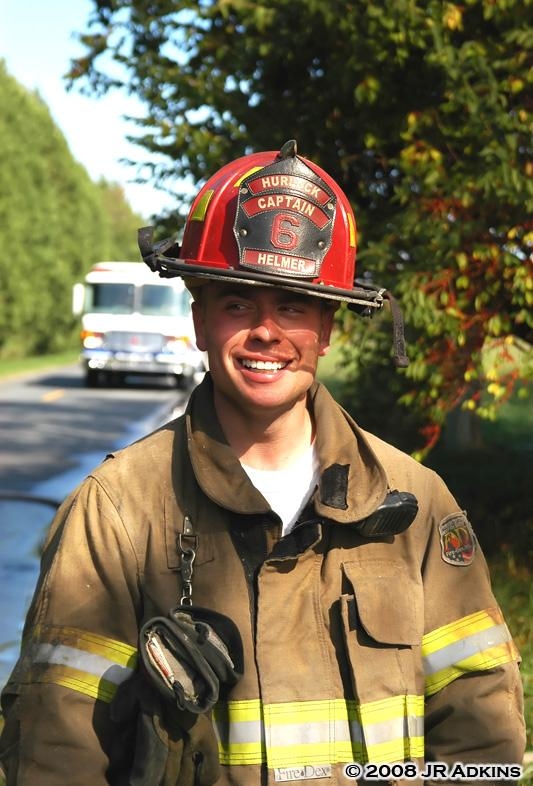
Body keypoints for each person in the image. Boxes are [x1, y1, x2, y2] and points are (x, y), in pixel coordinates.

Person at [0, 140, 525, 786]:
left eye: (293, 305)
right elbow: (56, 752)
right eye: (237, 303)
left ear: (327, 328)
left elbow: (480, 732)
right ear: (200, 321)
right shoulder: (117, 512)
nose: (266, 331)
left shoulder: (415, 507)